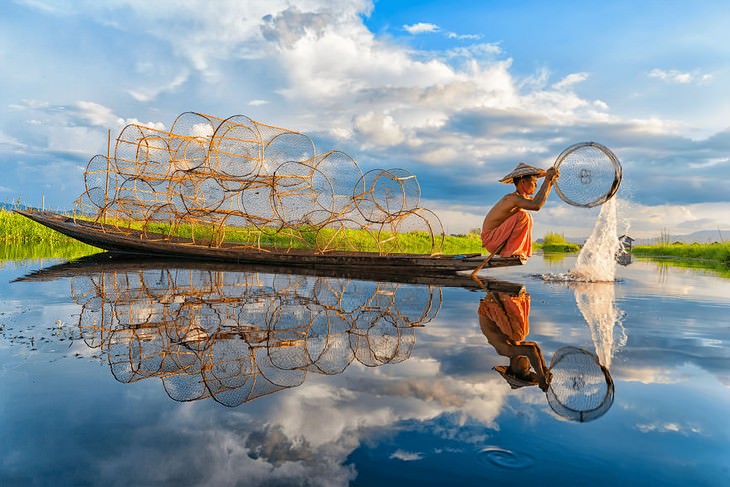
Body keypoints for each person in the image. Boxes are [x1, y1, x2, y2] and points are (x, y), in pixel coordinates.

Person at [481, 163, 559, 259]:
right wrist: (547, 179)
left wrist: (550, 182)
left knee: (527, 216)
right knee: (523, 216)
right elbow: (536, 205)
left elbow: (538, 201)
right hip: (491, 240)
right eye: (534, 181)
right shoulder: (512, 198)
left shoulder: (522, 199)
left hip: (498, 239)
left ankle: (512, 250)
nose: (536, 185)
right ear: (522, 182)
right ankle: (512, 251)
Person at [478, 289, 551, 391]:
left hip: (490, 307)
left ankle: (508, 298)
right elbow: (534, 346)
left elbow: (531, 351)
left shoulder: (505, 351)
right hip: (494, 307)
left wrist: (541, 378)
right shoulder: (514, 346)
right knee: (520, 336)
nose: (529, 366)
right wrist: (544, 369)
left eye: (524, 370)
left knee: (520, 335)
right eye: (529, 369)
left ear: (514, 369)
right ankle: (510, 299)